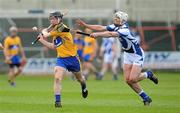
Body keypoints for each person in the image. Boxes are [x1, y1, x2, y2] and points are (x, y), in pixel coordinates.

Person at [76, 11, 158, 106]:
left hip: (137, 55)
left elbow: (110, 34)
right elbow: (101, 27)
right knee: (128, 80)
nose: (115, 19)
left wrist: (97, 35)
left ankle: (148, 74)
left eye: (117, 18)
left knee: (133, 79)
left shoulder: (125, 30)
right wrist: (86, 25)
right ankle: (145, 98)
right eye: (115, 18)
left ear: (122, 21)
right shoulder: (115, 26)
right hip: (127, 55)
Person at [37, 11, 88, 108]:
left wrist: (43, 31)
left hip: (73, 58)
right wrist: (42, 40)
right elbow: (53, 46)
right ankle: (58, 102)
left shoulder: (61, 28)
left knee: (80, 79)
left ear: (59, 19)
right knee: (57, 78)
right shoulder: (55, 30)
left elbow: (46, 34)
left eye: (53, 19)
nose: (51, 21)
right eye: (50, 19)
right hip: (61, 59)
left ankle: (84, 86)